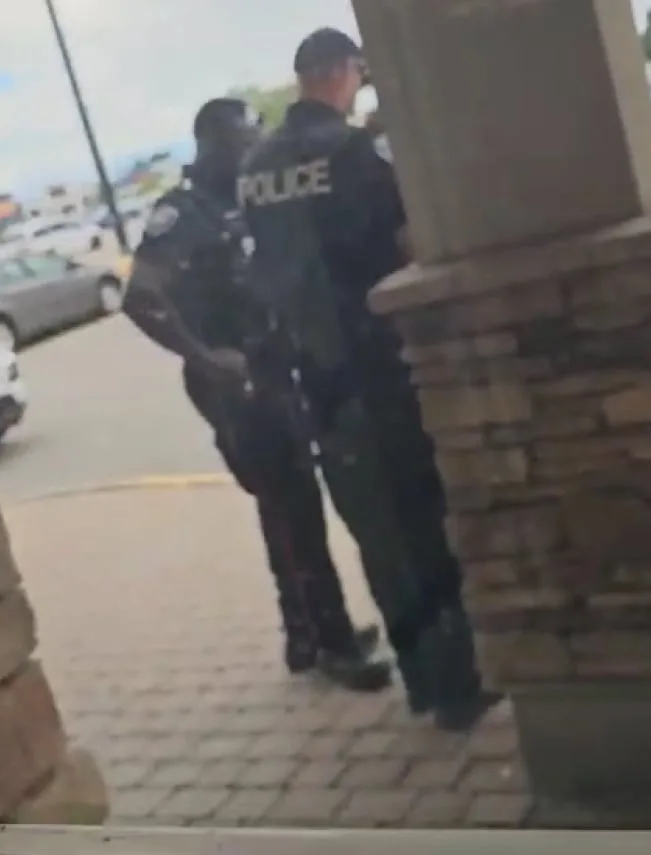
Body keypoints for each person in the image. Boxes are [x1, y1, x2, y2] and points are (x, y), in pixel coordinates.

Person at [237, 31, 501, 730]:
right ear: (335, 72)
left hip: (312, 380)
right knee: (420, 524)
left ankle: (421, 679)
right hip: (377, 367)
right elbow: (409, 238)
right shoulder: (355, 153)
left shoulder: (256, 164)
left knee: (377, 534)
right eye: (358, 72)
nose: (360, 84)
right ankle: (457, 685)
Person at [122, 97, 391, 694]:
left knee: (284, 507)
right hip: (237, 385)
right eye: (243, 137)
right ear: (213, 142)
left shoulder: (240, 197)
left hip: (272, 370)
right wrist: (205, 356)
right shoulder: (182, 213)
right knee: (294, 506)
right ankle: (336, 643)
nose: (252, 145)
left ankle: (304, 636)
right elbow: (141, 298)